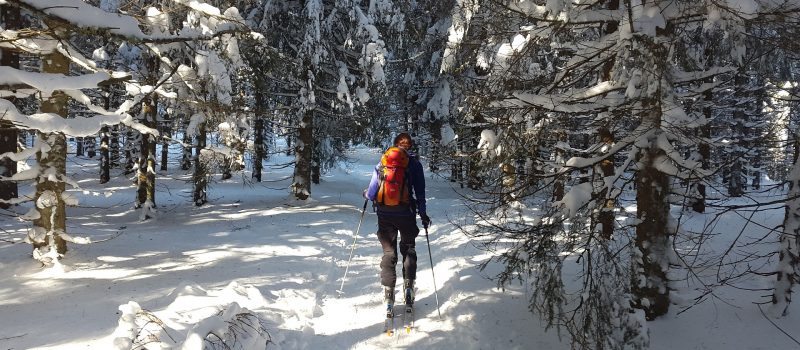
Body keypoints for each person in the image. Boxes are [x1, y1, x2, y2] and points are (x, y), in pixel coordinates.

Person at [364, 133, 431, 313]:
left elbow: (371, 193)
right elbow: (420, 192)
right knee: (408, 248)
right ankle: (408, 288)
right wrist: (423, 214)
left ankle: (388, 294)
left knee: (388, 252)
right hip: (406, 213)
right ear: (410, 146)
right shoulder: (414, 164)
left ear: (394, 145)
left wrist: (366, 195)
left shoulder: (383, 162)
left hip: (385, 214)